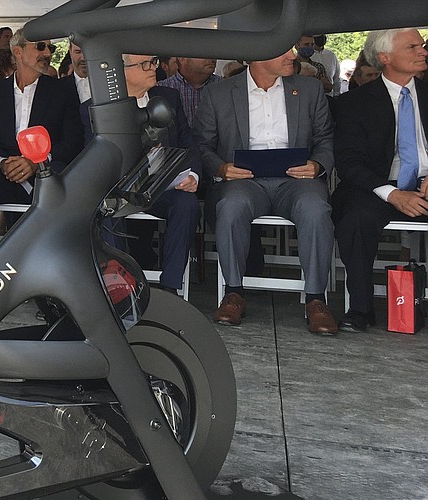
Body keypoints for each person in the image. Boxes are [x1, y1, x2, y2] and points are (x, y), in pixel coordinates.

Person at [194, 46, 337, 334]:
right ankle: (234, 291)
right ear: (257, 55)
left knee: (316, 208)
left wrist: (317, 165)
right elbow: (202, 145)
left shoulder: (309, 90)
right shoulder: (218, 93)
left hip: (297, 181)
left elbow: (326, 138)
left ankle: (315, 299)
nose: (293, 57)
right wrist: (221, 168)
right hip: (244, 182)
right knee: (230, 206)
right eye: (284, 51)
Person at [0, 28, 83, 272]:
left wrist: (36, 162)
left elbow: (73, 142)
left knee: (59, 177)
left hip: (44, 175)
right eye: (40, 47)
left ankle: (49, 269)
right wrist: (3, 162)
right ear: (18, 51)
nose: (47, 53)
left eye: (51, 48)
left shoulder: (63, 92)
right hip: (2, 175)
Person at [332, 28, 428, 332]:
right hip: (377, 187)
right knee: (356, 218)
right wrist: (392, 194)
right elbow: (348, 162)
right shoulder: (356, 102)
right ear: (385, 57)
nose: (423, 51)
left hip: (424, 184)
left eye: (423, 46)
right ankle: (360, 307)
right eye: (413, 46)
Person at [81, 54, 201, 294]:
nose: (153, 69)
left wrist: (194, 176)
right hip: (120, 189)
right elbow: (93, 159)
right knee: (104, 207)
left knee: (187, 204)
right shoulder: (97, 108)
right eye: (145, 64)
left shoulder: (169, 98)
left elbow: (189, 145)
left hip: (163, 187)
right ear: (121, 71)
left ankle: (171, 286)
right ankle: (121, 288)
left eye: (154, 63)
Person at [158, 57, 220, 127]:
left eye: (214, 53)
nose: (213, 59)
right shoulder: (161, 90)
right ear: (182, 59)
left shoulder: (226, 88)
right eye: (204, 53)